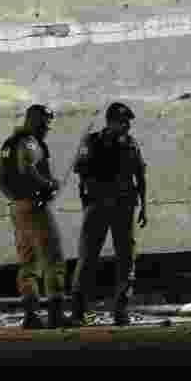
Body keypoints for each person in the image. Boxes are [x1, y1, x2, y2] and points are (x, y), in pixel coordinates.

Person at [0, 104, 73, 329]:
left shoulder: (10, 143)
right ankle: (56, 314)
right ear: (35, 121)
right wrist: (48, 185)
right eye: (45, 123)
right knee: (53, 259)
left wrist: (14, 197)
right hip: (36, 206)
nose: (48, 128)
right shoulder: (29, 142)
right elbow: (27, 168)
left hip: (17, 207)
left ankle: (31, 316)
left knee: (27, 263)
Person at [70, 102, 148, 326]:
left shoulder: (131, 144)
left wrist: (144, 206)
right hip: (98, 207)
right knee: (87, 257)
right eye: (124, 122)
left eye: (128, 123)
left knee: (126, 258)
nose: (127, 127)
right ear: (112, 121)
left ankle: (121, 310)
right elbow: (81, 170)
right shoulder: (92, 141)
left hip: (123, 208)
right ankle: (79, 311)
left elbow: (140, 175)